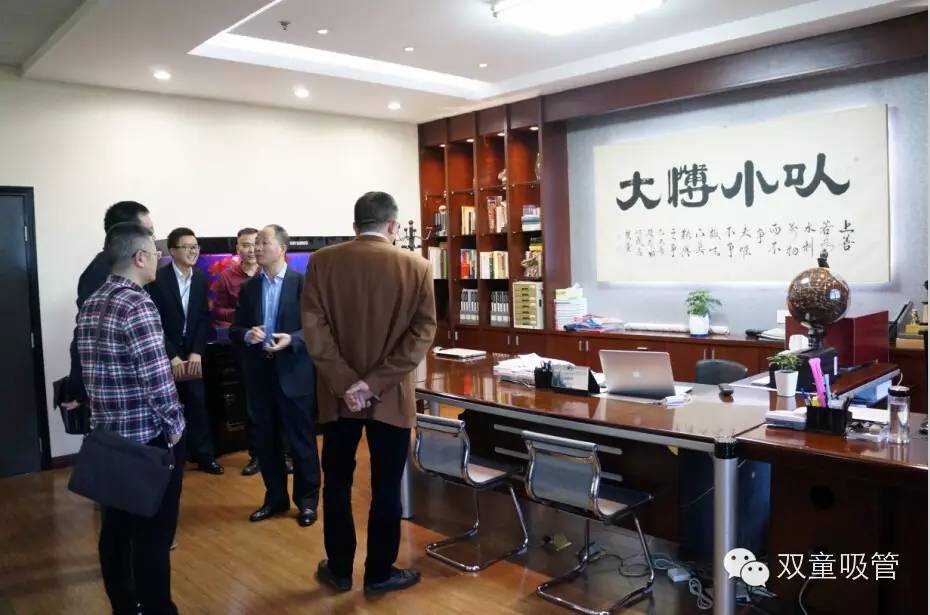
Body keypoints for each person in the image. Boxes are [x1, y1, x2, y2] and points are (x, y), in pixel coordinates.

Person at [302, 191, 436, 595]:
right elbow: (422, 334)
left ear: (355, 226)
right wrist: (373, 384)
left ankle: (339, 569)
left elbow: (314, 329)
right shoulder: (417, 266)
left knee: (337, 484)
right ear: (393, 225)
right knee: (386, 487)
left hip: (337, 398)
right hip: (390, 398)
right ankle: (379, 573)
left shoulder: (321, 262)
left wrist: (347, 383)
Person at [76, 222, 186, 615]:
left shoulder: (93, 301)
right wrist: (176, 429)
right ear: (140, 257)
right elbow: (158, 381)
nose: (160, 259)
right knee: (153, 538)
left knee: (115, 531)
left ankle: (124, 606)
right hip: (145, 442)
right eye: (156, 253)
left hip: (107, 439)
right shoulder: (138, 305)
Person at [231, 225, 320, 526]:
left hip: (294, 373)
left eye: (263, 242)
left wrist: (292, 339)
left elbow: (317, 327)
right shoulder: (249, 288)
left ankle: (307, 502)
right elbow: (235, 328)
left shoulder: (302, 283)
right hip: (260, 374)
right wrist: (247, 335)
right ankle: (275, 499)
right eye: (255, 243)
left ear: (282, 248)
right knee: (266, 443)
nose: (256, 248)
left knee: (301, 442)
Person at [147, 227, 223, 475]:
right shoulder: (157, 280)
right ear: (172, 251)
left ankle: (204, 456)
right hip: (165, 353)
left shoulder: (201, 278)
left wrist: (197, 352)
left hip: (192, 352)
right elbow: (154, 322)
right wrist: (171, 355)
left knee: (198, 403)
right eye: (187, 247)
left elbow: (203, 318)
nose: (193, 251)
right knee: (167, 406)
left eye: (195, 246)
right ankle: (170, 461)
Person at [64, 201, 153, 410]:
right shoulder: (99, 273)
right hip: (120, 394)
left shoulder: (134, 271)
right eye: (149, 231)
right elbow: (85, 334)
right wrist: (79, 388)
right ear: (126, 232)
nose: (152, 239)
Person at [211, 227, 264, 476]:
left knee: (279, 400)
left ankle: (284, 453)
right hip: (245, 346)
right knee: (251, 402)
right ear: (237, 248)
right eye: (245, 244)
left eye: (255, 243)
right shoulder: (226, 277)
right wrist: (244, 316)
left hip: (274, 344)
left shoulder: (270, 270)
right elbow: (218, 310)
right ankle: (256, 455)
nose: (251, 249)